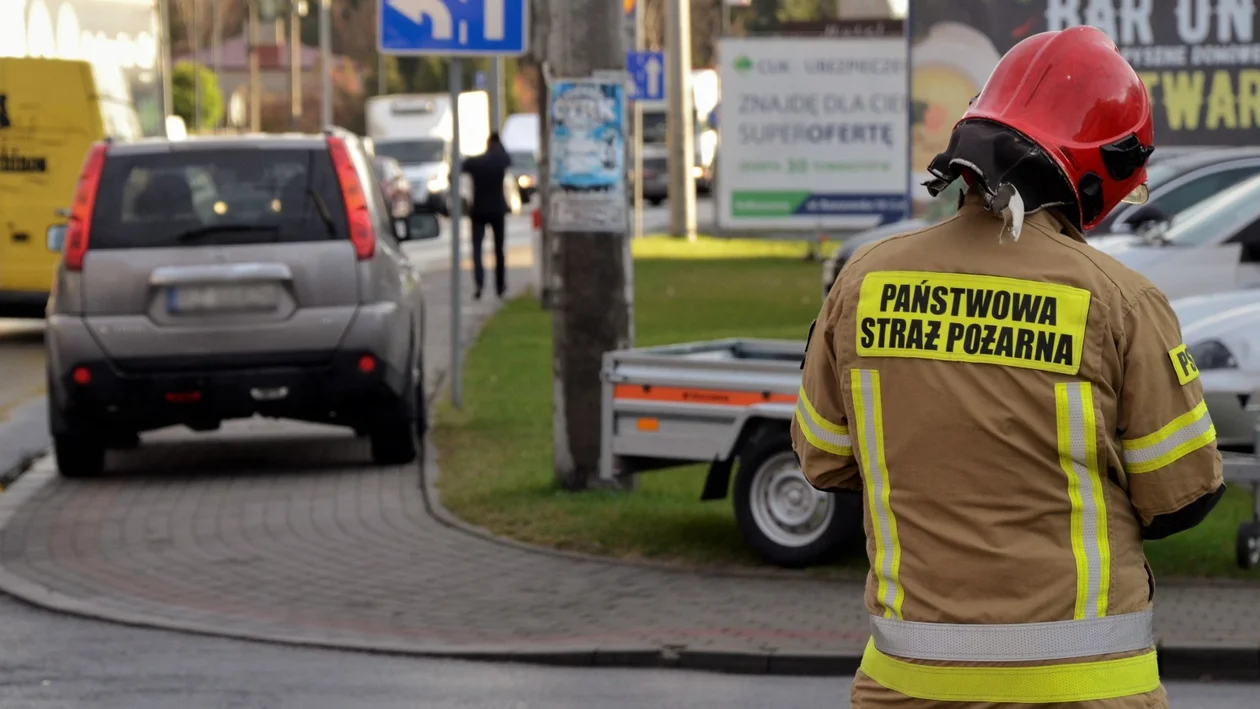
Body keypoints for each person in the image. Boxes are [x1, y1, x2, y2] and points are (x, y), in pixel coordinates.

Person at [792, 26, 1223, 708]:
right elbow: (1184, 494)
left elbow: (824, 458)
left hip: (909, 687)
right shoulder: (1119, 299)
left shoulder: (863, 280)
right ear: (1096, 170)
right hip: (1084, 686)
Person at [461, 132, 513, 300]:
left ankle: (479, 284)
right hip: (497, 209)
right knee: (499, 250)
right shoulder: (501, 161)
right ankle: (500, 286)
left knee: (477, 249)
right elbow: (507, 158)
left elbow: (461, 166)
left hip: (479, 209)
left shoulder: (476, 163)